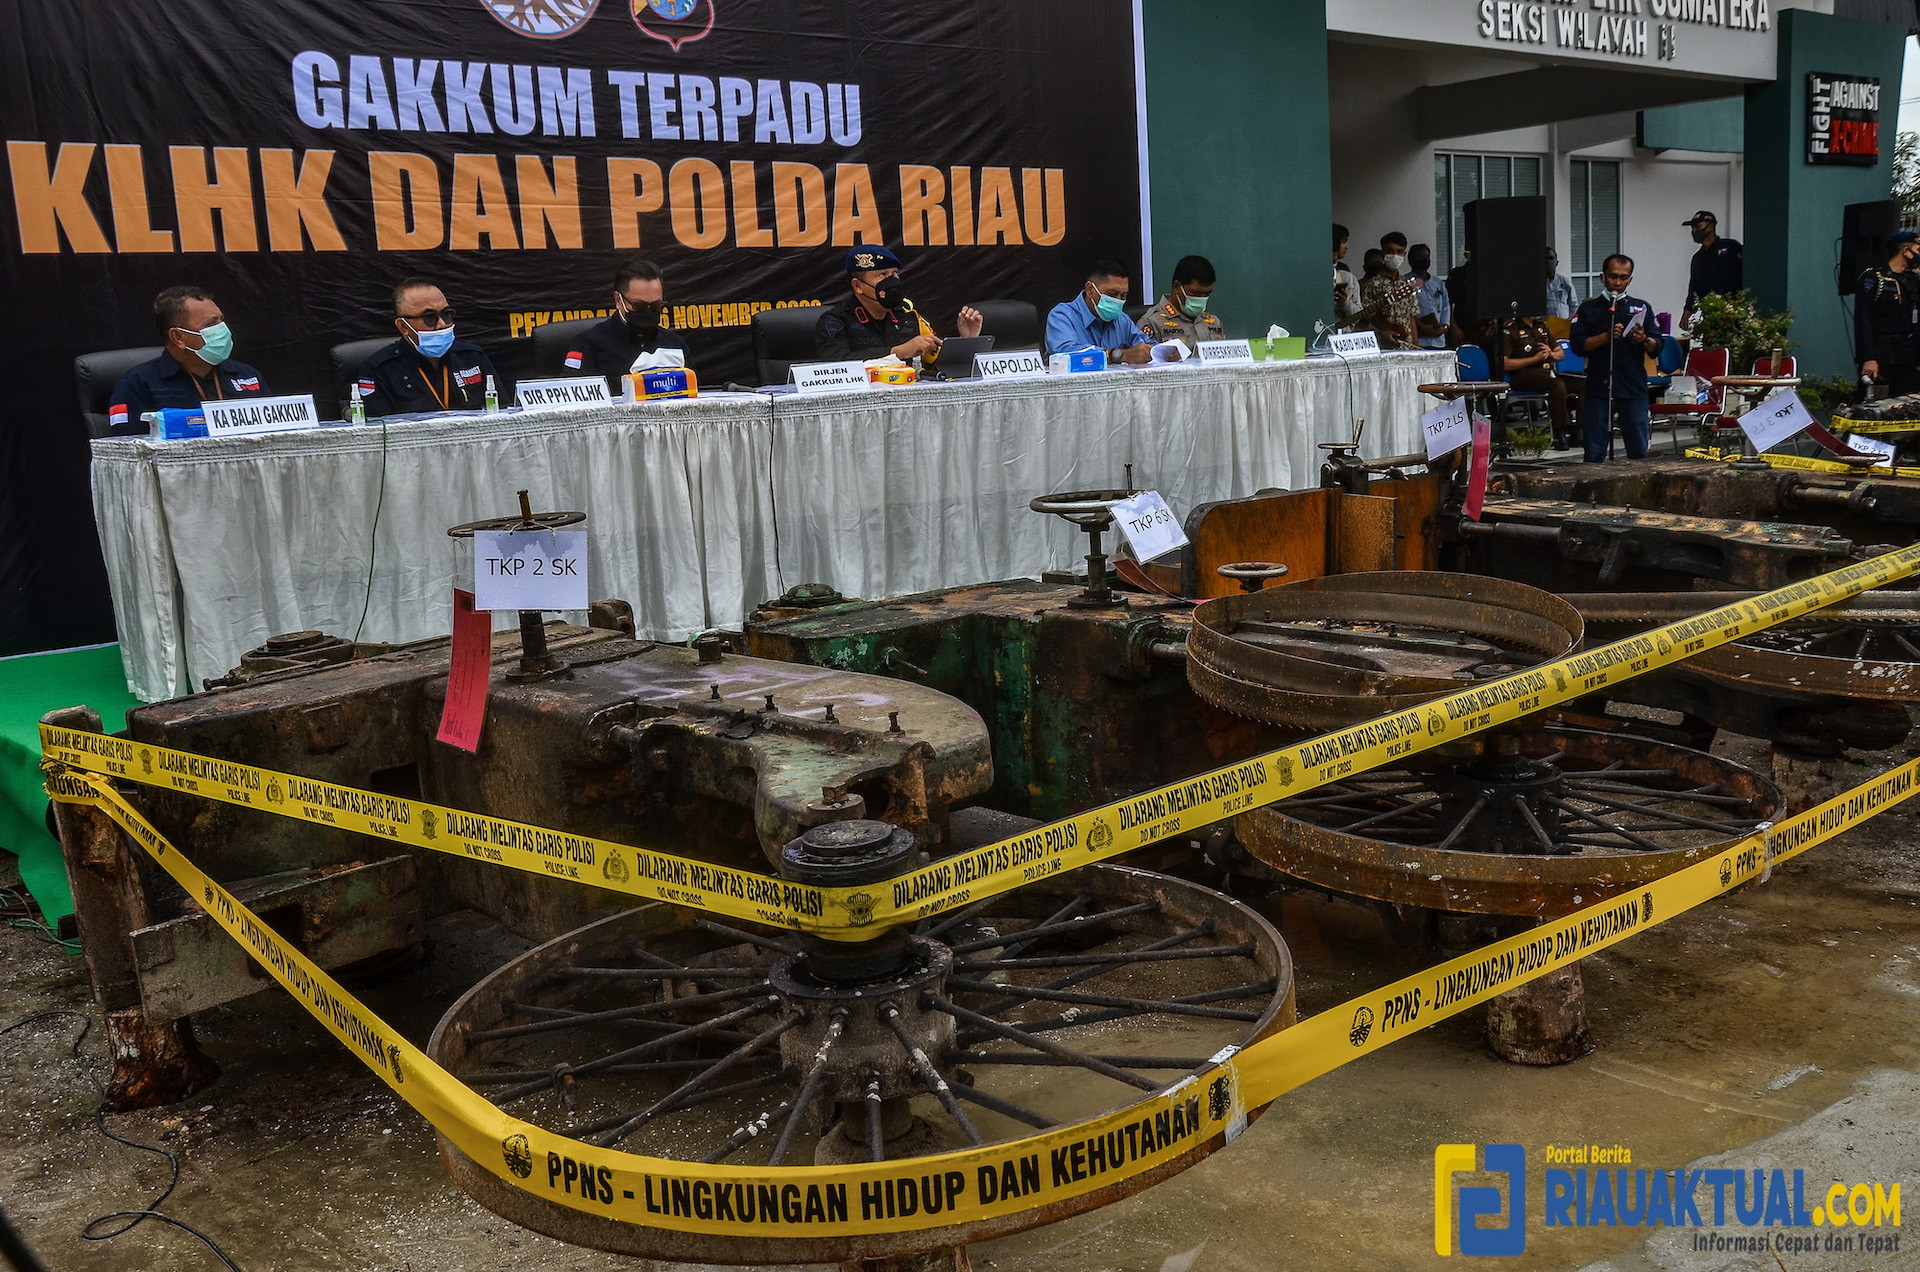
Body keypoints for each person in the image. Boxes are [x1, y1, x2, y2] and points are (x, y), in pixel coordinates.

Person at [107, 285, 270, 434]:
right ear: (178, 337)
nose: (223, 329)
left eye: (221, 320)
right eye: (211, 324)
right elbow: (127, 451)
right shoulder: (137, 385)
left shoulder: (248, 376)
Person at [355, 279, 501, 417]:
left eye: (446, 314)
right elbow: (379, 434)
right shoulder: (378, 371)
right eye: (430, 317)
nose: (442, 324)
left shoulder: (472, 357)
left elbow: (504, 415)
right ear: (404, 327)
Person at [815, 245, 982, 366]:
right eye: (882, 275)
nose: (891, 281)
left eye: (895, 274)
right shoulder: (835, 320)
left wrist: (967, 340)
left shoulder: (908, 317)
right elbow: (835, 364)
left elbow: (937, 364)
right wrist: (899, 352)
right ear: (858, 286)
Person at [1569, 254, 1662, 462]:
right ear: (1602, 277)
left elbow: (1657, 346)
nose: (1618, 282)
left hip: (1632, 384)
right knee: (1594, 450)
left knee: (1638, 448)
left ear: (1630, 280)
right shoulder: (1589, 308)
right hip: (1599, 385)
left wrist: (1643, 339)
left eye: (1623, 277)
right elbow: (1577, 345)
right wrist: (1605, 336)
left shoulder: (1641, 307)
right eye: (1613, 277)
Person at [566, 259, 690, 391]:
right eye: (639, 306)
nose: (648, 311)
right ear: (619, 300)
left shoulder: (676, 344)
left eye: (656, 305)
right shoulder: (588, 345)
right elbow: (572, 400)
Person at [1044, 257, 1152, 364]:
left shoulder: (1122, 319)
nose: (1118, 301)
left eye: (1123, 296)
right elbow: (1066, 354)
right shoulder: (1062, 316)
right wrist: (1119, 355)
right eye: (1112, 294)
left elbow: (1147, 345)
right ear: (1090, 290)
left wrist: (1160, 351)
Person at [1856, 229, 1920, 396]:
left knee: (1907, 408)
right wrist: (1868, 358)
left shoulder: (1913, 281)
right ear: (1906, 251)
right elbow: (1864, 321)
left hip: (1908, 356)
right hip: (1881, 355)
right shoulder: (1874, 278)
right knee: (1876, 407)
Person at [1503, 317, 1573, 448]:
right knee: (1557, 386)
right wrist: (1535, 359)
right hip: (1525, 375)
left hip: (1547, 373)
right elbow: (1504, 363)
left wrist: (1550, 353)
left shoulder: (1542, 327)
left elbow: (1560, 354)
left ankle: (1579, 430)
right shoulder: (1510, 330)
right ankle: (1560, 433)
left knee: (1582, 383)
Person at [1141, 255, 1225, 347]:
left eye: (1207, 294)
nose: (1202, 299)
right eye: (1196, 294)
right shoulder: (1152, 322)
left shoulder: (1214, 322)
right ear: (1177, 287)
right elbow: (1145, 358)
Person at [1681, 211, 1743, 315]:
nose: (1694, 231)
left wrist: (1734, 306)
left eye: (1698, 226)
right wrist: (1688, 311)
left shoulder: (1730, 248)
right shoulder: (1698, 258)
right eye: (1693, 228)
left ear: (1711, 225)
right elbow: (1694, 287)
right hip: (1711, 315)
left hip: (1735, 314)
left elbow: (1744, 277)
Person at [1357, 249, 1417, 349]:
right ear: (1383, 254)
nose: (1395, 256)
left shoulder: (1406, 284)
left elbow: (1412, 319)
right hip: (1383, 347)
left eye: (1399, 252)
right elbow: (1363, 321)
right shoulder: (1372, 284)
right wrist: (1381, 333)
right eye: (1391, 251)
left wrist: (1416, 347)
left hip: (1407, 348)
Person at [1409, 244, 1449, 349]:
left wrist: (1445, 326)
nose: (1424, 260)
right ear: (1411, 261)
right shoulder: (1405, 283)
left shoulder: (1438, 282)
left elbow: (1446, 306)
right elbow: (1407, 311)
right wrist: (1422, 327)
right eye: (1420, 258)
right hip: (1420, 341)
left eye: (1426, 258)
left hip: (1439, 341)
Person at [1333, 224, 1359, 322]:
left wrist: (1345, 302)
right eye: (1343, 242)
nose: (1347, 246)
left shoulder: (1348, 278)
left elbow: (1358, 317)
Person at [1545, 248, 1577, 321]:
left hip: (1563, 324)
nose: (1548, 261)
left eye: (1551, 258)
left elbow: (1573, 304)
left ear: (1556, 262)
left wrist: (1569, 321)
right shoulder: (1538, 284)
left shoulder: (1564, 281)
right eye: (1546, 259)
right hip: (1545, 325)